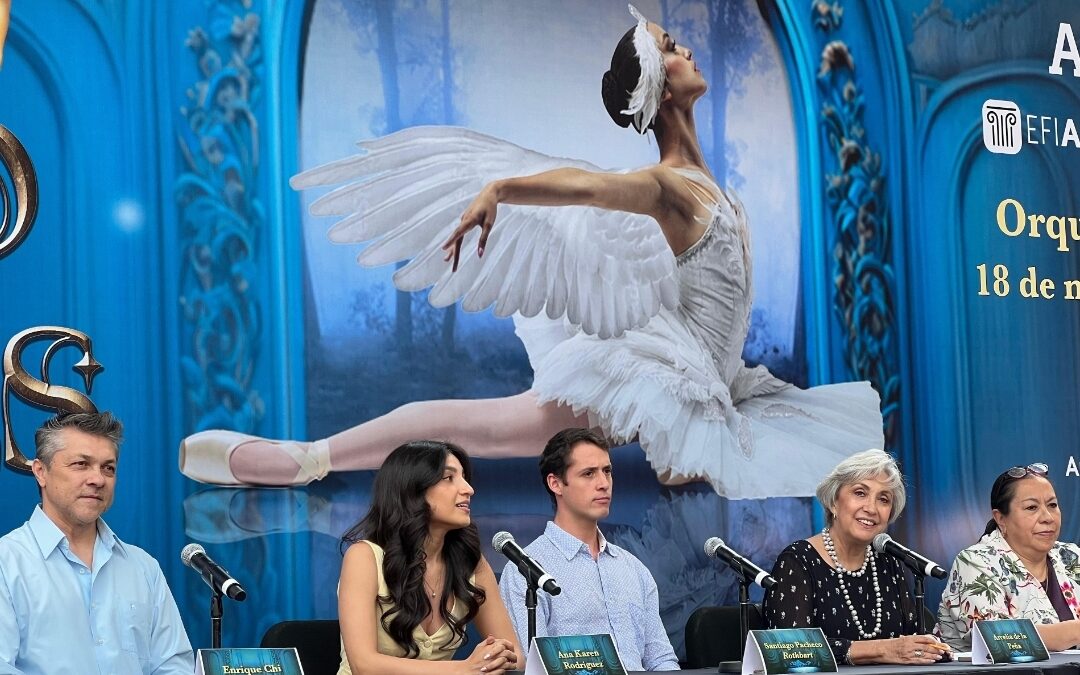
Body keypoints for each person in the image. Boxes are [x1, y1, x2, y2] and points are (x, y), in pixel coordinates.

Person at [179, 4, 883, 500]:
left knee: (484, 426)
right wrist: (500, 185)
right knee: (477, 426)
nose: (688, 49)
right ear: (662, 85)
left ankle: (311, 457)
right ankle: (307, 458)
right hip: (662, 385)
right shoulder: (668, 185)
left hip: (703, 380)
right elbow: (587, 186)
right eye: (672, 46)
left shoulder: (704, 186)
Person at [0, 412, 194, 674]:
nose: (98, 479)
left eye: (108, 468)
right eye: (81, 464)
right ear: (41, 472)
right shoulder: (7, 563)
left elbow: (173, 665)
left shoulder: (143, 567)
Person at [498, 428, 679, 671]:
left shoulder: (634, 569)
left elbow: (661, 660)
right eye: (588, 473)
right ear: (555, 483)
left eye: (607, 471)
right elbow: (534, 668)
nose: (603, 484)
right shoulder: (525, 572)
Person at [336, 439, 521, 675]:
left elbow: (515, 655)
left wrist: (496, 659)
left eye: (464, 477)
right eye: (449, 478)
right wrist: (462, 669)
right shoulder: (364, 557)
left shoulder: (471, 562)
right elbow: (364, 665)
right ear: (412, 490)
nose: (468, 489)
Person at [763, 449, 950, 665]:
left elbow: (912, 640)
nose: (871, 508)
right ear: (834, 502)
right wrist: (883, 649)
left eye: (883, 499)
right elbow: (791, 650)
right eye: (860, 493)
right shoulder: (797, 561)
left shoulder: (888, 562)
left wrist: (930, 648)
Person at [937, 463, 1080, 651]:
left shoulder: (1071, 556)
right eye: (1031, 507)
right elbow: (996, 638)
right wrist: (1074, 631)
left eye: (1052, 505)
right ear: (1001, 519)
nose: (1048, 517)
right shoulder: (975, 562)